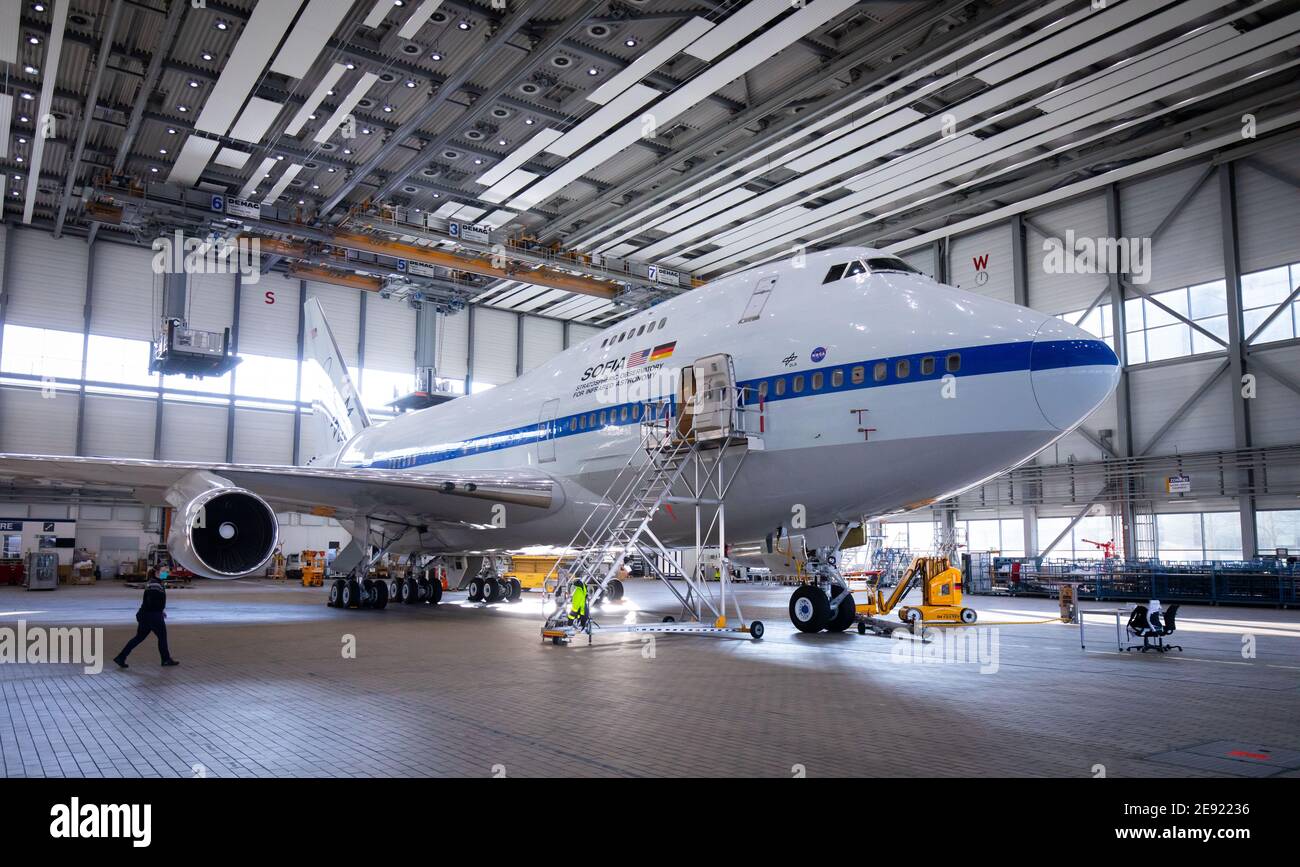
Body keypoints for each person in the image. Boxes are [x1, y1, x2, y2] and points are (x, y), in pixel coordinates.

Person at [113, 568, 179, 668]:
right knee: (162, 637)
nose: (166, 573)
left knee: (139, 638)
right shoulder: (154, 584)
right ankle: (165, 659)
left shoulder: (155, 582)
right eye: (164, 571)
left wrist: (160, 610)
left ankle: (121, 657)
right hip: (153, 615)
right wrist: (157, 612)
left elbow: (154, 600)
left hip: (146, 614)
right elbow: (151, 600)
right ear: (157, 572)